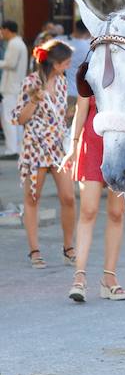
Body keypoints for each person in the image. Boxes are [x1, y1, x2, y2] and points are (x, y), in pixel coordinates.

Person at [10, 40, 76, 268]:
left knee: (68, 197)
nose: (69, 65)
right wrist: (34, 102)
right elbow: (19, 118)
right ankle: (34, 251)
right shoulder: (31, 82)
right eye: (66, 62)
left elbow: (57, 115)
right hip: (35, 147)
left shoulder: (62, 82)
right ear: (55, 63)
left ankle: (69, 248)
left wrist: (69, 113)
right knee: (32, 198)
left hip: (57, 147)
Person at [62, 94, 125, 302]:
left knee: (117, 213)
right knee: (88, 211)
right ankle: (79, 277)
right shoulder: (90, 68)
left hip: (120, 146)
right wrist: (73, 147)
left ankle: (109, 279)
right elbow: (81, 111)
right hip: (91, 147)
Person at [1, 19, 27, 157]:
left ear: (6, 30)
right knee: (15, 119)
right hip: (15, 86)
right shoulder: (18, 43)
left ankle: (12, 149)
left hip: (11, 87)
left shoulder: (14, 44)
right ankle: (17, 148)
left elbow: (10, 64)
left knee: (8, 118)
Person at [66, 20, 91, 108]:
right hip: (78, 93)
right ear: (88, 30)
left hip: (61, 90)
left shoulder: (61, 41)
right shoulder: (87, 48)